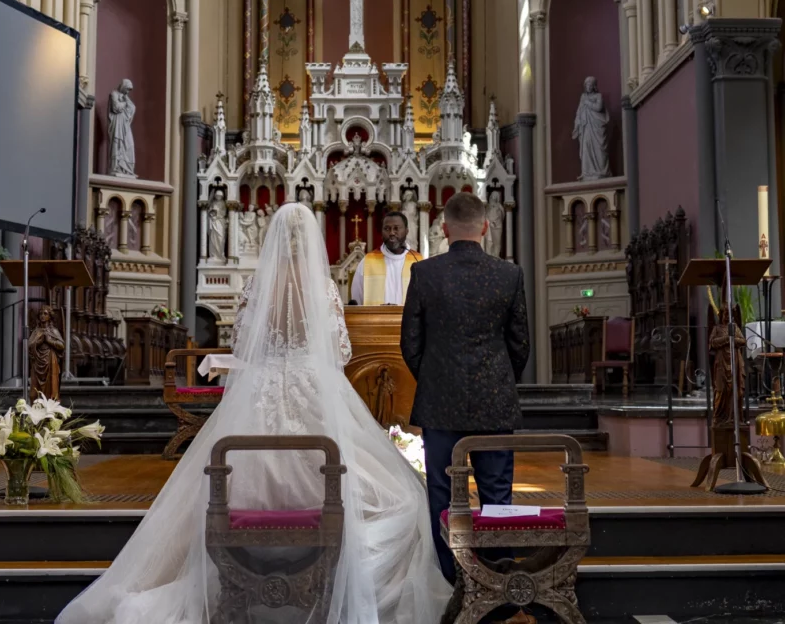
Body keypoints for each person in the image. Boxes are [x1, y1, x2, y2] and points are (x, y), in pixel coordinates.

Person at [56, 204, 450, 624]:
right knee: (393, 496)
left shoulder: (255, 288)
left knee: (230, 479)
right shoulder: (321, 287)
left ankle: (241, 582)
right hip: (316, 389)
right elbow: (341, 353)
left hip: (259, 390)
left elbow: (242, 347)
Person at [400, 191, 532, 624]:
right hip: (494, 400)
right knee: (497, 494)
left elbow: (410, 345)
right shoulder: (508, 274)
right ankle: (498, 586)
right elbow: (520, 343)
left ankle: (449, 581)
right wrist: (497, 379)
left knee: (440, 491)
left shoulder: (424, 273)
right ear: (485, 227)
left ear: (443, 229)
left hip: (439, 402)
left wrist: (436, 378)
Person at [350, 212, 422, 305]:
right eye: (387, 229)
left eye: (396, 228)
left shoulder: (418, 261)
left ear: (406, 231)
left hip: (409, 319)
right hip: (375, 319)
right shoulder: (368, 262)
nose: (391, 233)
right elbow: (357, 300)